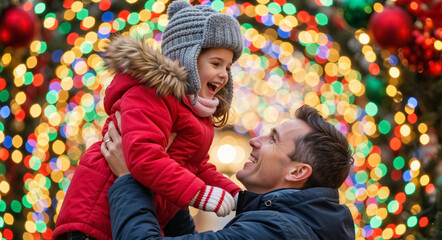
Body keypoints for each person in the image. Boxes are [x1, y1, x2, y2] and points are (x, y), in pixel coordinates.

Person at [53, 1, 244, 239]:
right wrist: (197, 193)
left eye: (228, 66)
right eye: (216, 64)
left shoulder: (193, 111)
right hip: (97, 217)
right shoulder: (153, 93)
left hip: (125, 216)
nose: (224, 74)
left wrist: (236, 194)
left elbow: (198, 167)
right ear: (188, 58)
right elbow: (141, 153)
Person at [103, 105, 356, 240]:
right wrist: (165, 178)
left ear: (298, 171)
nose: (255, 140)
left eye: (273, 140)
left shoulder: (276, 231)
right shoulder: (296, 227)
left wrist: (129, 178)